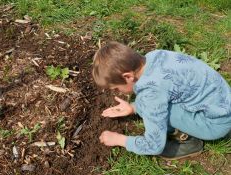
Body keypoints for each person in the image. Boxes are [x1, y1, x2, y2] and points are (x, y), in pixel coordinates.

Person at [92, 41, 231, 160]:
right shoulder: (155, 56)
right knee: (152, 105)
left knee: (156, 111)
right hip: (222, 100)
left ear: (128, 77)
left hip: (214, 124)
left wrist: (120, 140)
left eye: (116, 88)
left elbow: (154, 146)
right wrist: (134, 108)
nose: (117, 92)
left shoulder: (151, 94)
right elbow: (160, 89)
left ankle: (189, 143)